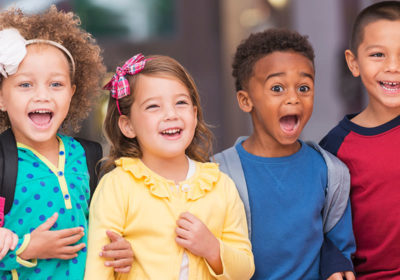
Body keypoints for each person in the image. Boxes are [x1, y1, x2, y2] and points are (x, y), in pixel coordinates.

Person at [84, 54, 254, 280]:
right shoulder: (117, 186)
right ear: (128, 125)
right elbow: (98, 268)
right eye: (153, 106)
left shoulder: (220, 186)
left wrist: (213, 249)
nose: (171, 114)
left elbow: (245, 270)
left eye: (181, 103)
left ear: (194, 114)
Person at [0, 6, 133, 280]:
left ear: (73, 93)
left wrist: (122, 248)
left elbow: (104, 226)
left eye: (56, 84)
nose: (42, 96)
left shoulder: (88, 155)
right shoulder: (2, 161)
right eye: (25, 85)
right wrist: (26, 248)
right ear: (1, 98)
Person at [213, 29, 356, 280]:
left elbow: (338, 245)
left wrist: (336, 264)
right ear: (246, 101)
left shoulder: (331, 172)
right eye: (277, 88)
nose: (293, 98)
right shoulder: (217, 174)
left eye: (304, 87)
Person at [319, 1, 400, 279]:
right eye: (378, 54)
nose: (393, 66)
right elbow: (318, 225)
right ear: (354, 63)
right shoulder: (334, 149)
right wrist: (332, 258)